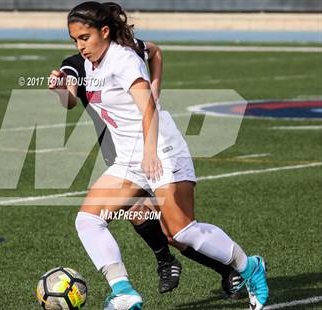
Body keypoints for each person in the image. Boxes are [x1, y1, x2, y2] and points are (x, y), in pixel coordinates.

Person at [51, 2, 269, 310]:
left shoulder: (123, 58)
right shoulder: (87, 64)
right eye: (74, 40)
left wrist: (150, 150)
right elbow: (70, 102)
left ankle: (249, 266)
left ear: (104, 31)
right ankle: (124, 292)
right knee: (88, 220)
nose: (80, 46)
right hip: (128, 157)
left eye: (84, 37)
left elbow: (148, 107)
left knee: (180, 231)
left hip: (162, 149)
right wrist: (61, 89)